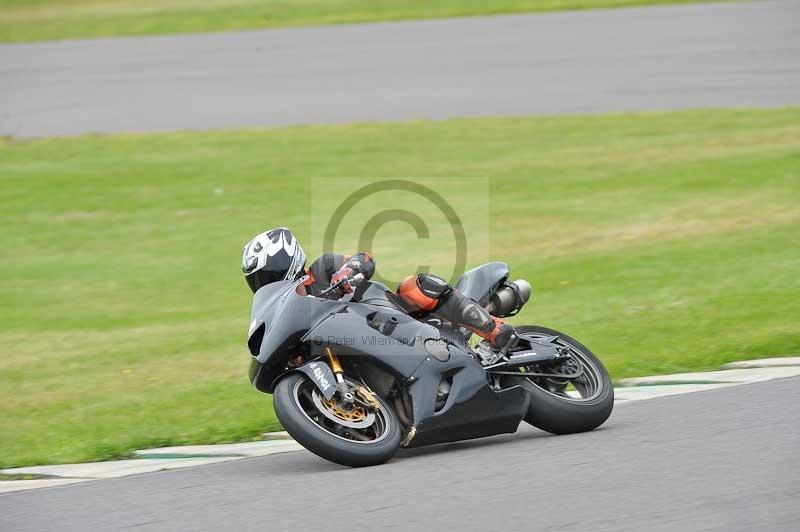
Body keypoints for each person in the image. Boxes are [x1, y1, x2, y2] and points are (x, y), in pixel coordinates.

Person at [242, 227, 516, 348]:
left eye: (266, 275)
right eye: (257, 280)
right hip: (358, 344)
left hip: (395, 317)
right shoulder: (289, 310)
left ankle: (493, 329)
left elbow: (364, 259)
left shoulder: (322, 269)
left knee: (412, 286)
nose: (263, 283)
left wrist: (348, 273)